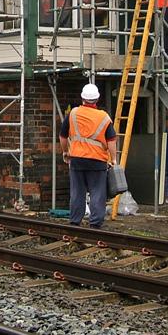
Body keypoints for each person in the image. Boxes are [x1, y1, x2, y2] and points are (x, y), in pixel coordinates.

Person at [59, 83, 118, 229]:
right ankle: (95, 223)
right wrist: (113, 159)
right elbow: (111, 141)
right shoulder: (103, 117)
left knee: (77, 192)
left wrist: (66, 152)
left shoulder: (72, 114)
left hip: (77, 159)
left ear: (82, 98)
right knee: (97, 192)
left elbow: (63, 136)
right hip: (97, 161)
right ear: (97, 99)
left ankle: (75, 222)